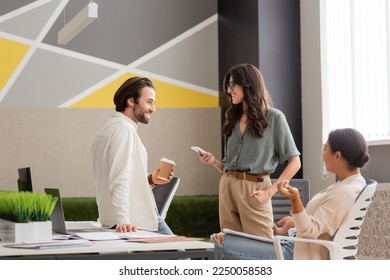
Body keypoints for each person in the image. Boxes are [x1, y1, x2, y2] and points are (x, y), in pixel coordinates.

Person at [215, 128, 370, 260]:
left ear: (337, 155)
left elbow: (311, 230)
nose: (322, 155)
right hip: (293, 244)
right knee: (227, 240)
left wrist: (295, 200)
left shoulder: (345, 192)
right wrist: (293, 221)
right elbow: (324, 224)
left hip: (294, 254)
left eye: (325, 149)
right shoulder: (351, 184)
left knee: (223, 242)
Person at [197, 63, 301, 239]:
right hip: (227, 186)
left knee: (262, 248)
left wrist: (269, 192)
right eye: (227, 87)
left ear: (247, 84)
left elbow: (295, 162)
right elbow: (230, 166)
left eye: (232, 85)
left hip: (255, 189)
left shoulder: (274, 117)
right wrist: (214, 162)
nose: (229, 91)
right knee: (231, 247)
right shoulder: (232, 119)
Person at [92, 77, 174, 234]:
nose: (153, 109)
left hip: (118, 220)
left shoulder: (109, 128)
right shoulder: (124, 130)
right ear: (131, 101)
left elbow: (115, 175)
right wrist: (123, 220)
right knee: (181, 257)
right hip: (134, 220)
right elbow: (119, 178)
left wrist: (150, 179)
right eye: (149, 102)